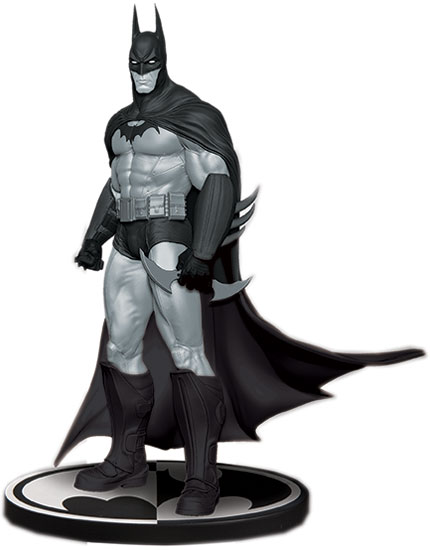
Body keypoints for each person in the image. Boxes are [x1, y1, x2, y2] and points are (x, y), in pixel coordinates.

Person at [56, 7, 423, 517]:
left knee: (187, 351)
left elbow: (217, 178)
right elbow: (117, 184)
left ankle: (201, 478)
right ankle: (126, 459)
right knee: (119, 348)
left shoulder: (192, 114)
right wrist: (93, 239)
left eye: (150, 63)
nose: (142, 72)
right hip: (126, 242)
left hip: (168, 242)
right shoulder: (118, 125)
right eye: (134, 64)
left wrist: (204, 252)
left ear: (163, 61)